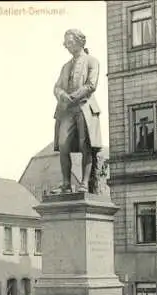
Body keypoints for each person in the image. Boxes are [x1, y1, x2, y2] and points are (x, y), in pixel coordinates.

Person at [53, 29, 102, 193]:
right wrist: (61, 95)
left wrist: (72, 96)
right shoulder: (65, 66)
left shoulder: (92, 61)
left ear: (80, 42)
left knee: (85, 144)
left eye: (71, 42)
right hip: (67, 110)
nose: (68, 46)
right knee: (62, 145)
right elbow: (57, 87)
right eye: (66, 43)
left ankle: (85, 183)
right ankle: (66, 183)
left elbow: (91, 85)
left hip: (84, 107)